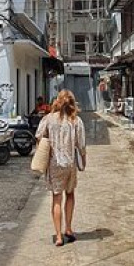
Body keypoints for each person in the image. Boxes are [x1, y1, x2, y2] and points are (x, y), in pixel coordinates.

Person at [36, 90, 87, 247]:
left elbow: (39, 136)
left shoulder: (48, 119)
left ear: (57, 101)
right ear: (72, 103)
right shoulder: (76, 121)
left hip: (54, 163)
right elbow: (82, 145)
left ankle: (58, 236)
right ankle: (69, 229)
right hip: (70, 164)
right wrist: (83, 160)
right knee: (70, 195)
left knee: (56, 198)